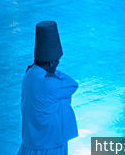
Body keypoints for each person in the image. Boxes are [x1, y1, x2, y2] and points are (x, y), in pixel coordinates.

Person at [18, 21, 79, 155]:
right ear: (51, 62)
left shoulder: (28, 75)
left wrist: (45, 70)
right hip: (51, 146)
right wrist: (54, 72)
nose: (58, 64)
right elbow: (73, 85)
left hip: (31, 144)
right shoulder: (50, 83)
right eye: (57, 61)